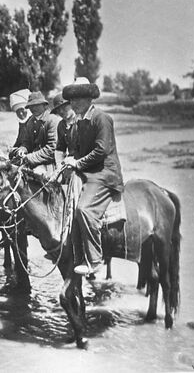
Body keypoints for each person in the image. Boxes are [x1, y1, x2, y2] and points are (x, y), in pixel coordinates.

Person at [61, 77, 124, 275]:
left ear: (89, 98)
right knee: (68, 205)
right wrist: (68, 164)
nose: (74, 103)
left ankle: (95, 259)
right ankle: (77, 255)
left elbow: (101, 150)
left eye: (78, 98)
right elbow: (79, 151)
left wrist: (77, 163)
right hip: (89, 171)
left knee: (83, 209)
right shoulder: (80, 122)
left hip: (105, 173)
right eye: (71, 99)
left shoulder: (101, 118)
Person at [12, 91, 59, 177]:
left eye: (37, 105)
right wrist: (22, 149)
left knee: (35, 176)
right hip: (33, 160)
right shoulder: (31, 121)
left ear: (44, 105)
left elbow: (52, 149)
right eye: (31, 106)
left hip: (50, 162)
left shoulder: (52, 120)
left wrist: (30, 157)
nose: (33, 108)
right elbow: (27, 142)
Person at [51, 92, 78, 166]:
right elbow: (60, 149)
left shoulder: (81, 122)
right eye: (58, 110)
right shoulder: (61, 125)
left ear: (71, 104)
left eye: (64, 107)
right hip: (69, 162)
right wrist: (59, 166)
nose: (61, 111)